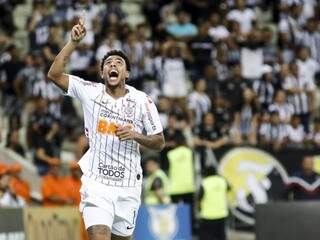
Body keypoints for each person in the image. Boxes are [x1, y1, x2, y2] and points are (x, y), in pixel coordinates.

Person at [47, 15, 165, 240]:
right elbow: (53, 75)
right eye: (108, 64)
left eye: (118, 63)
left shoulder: (143, 101)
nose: (113, 65)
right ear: (102, 73)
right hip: (97, 184)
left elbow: (159, 142)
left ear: (127, 74)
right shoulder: (90, 91)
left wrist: (136, 135)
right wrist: (73, 43)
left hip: (129, 186)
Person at [198, 167, 229, 240]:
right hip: (222, 214)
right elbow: (230, 189)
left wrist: (199, 209)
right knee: (221, 236)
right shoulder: (222, 181)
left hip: (208, 216)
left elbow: (199, 199)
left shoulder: (205, 182)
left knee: (206, 237)